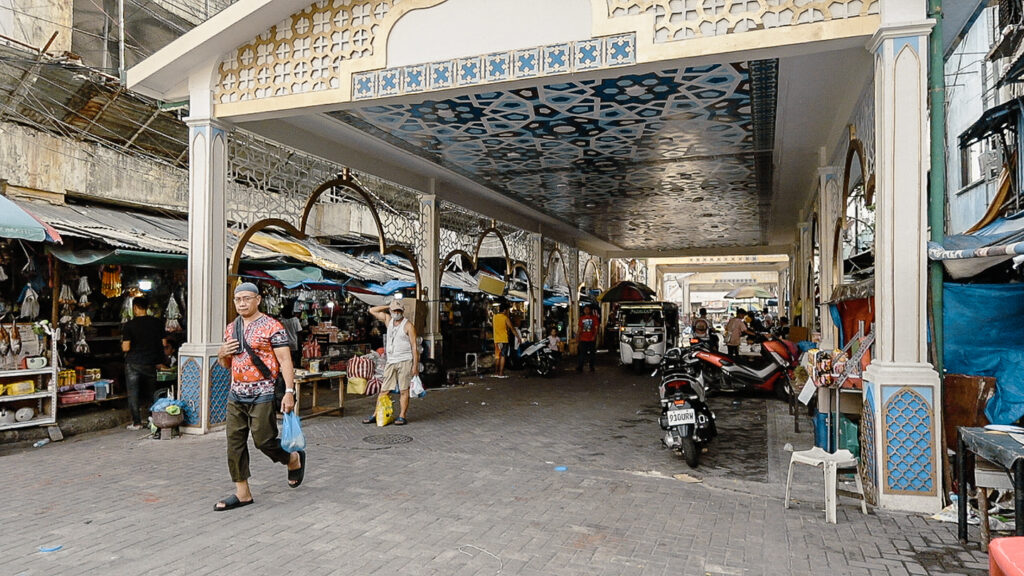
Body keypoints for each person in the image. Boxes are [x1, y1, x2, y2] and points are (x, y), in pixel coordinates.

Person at [214, 282, 304, 512]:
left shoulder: (273, 326)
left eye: (247, 298)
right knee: (234, 442)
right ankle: (242, 493)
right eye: (238, 299)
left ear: (258, 300)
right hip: (236, 393)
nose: (242, 303)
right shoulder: (230, 328)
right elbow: (226, 363)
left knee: (264, 440)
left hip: (263, 392)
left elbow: (285, 361)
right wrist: (221, 353)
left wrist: (289, 392)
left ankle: (292, 459)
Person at [363, 299, 419, 425]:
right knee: (384, 390)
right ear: (391, 311)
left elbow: (414, 347)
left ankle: (402, 416)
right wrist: (388, 305)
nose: (397, 313)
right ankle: (375, 414)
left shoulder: (408, 325)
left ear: (403, 311)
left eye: (399, 310)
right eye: (395, 310)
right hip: (391, 361)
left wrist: (415, 366)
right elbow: (372, 310)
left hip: (405, 360)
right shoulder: (389, 320)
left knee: (404, 390)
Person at [121, 296, 165, 430]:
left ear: (134, 308)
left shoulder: (129, 325)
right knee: (152, 392)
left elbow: (126, 348)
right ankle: (153, 419)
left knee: (133, 393)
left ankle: (137, 422)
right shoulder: (157, 323)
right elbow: (164, 343)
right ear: (147, 307)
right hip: (150, 362)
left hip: (133, 363)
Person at [491, 301, 519, 378]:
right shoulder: (505, 318)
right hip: (504, 339)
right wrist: (518, 337)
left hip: (496, 340)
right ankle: (501, 373)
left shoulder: (494, 317)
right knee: (503, 356)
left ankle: (496, 372)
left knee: (497, 356)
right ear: (505, 310)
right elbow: (512, 329)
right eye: (507, 310)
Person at [577, 305, 599, 372]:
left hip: (591, 339)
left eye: (587, 309)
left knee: (592, 354)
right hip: (583, 339)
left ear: (590, 310)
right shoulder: (581, 318)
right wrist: (578, 336)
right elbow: (580, 328)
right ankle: (580, 367)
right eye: (585, 309)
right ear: (583, 311)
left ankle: (591, 367)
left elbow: (596, 328)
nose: (586, 311)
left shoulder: (594, 318)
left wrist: (594, 336)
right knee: (582, 353)